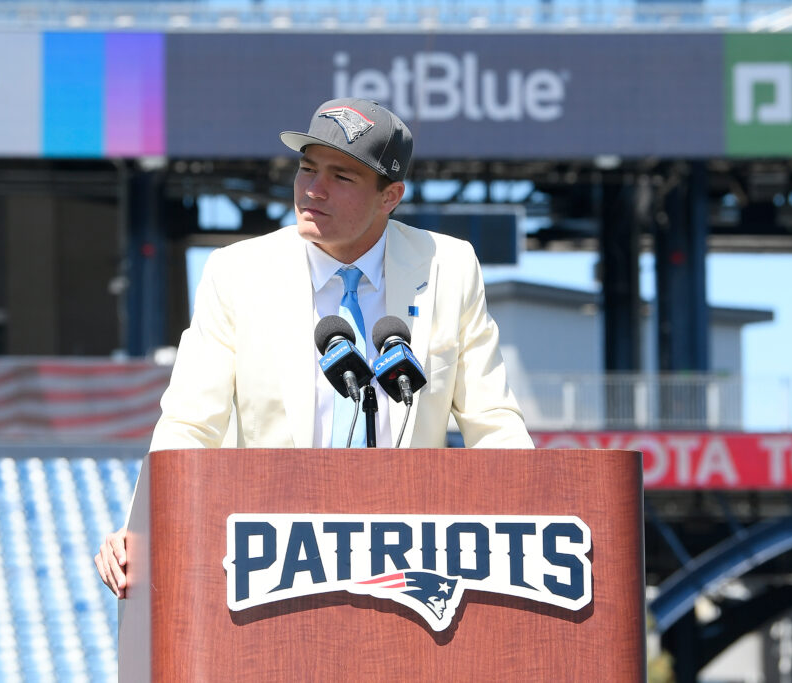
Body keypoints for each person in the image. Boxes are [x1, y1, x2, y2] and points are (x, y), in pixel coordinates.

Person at [95, 97, 533, 598]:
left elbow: (494, 421)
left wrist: (532, 523)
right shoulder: (236, 272)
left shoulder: (450, 267)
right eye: (306, 169)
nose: (313, 190)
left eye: (342, 178)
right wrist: (145, 530)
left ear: (389, 197)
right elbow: (189, 424)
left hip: (409, 560)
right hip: (278, 564)